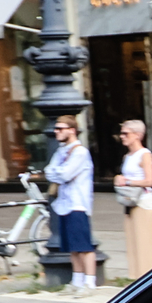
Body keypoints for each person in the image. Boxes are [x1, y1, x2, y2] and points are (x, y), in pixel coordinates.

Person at [43, 114, 100, 292]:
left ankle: (90, 283)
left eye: (60, 128)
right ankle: (77, 281)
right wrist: (57, 172)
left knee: (84, 246)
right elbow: (49, 171)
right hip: (64, 204)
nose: (56, 132)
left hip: (78, 204)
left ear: (72, 130)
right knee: (72, 247)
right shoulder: (61, 151)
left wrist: (57, 172)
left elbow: (64, 174)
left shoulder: (80, 152)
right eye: (56, 128)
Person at [113, 119, 152, 279]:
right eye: (122, 133)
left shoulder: (145, 154)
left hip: (143, 201)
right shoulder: (128, 156)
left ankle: (149, 278)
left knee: (146, 243)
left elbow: (150, 180)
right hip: (129, 201)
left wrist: (129, 181)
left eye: (126, 133)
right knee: (133, 244)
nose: (122, 136)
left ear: (138, 135)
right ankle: (136, 278)